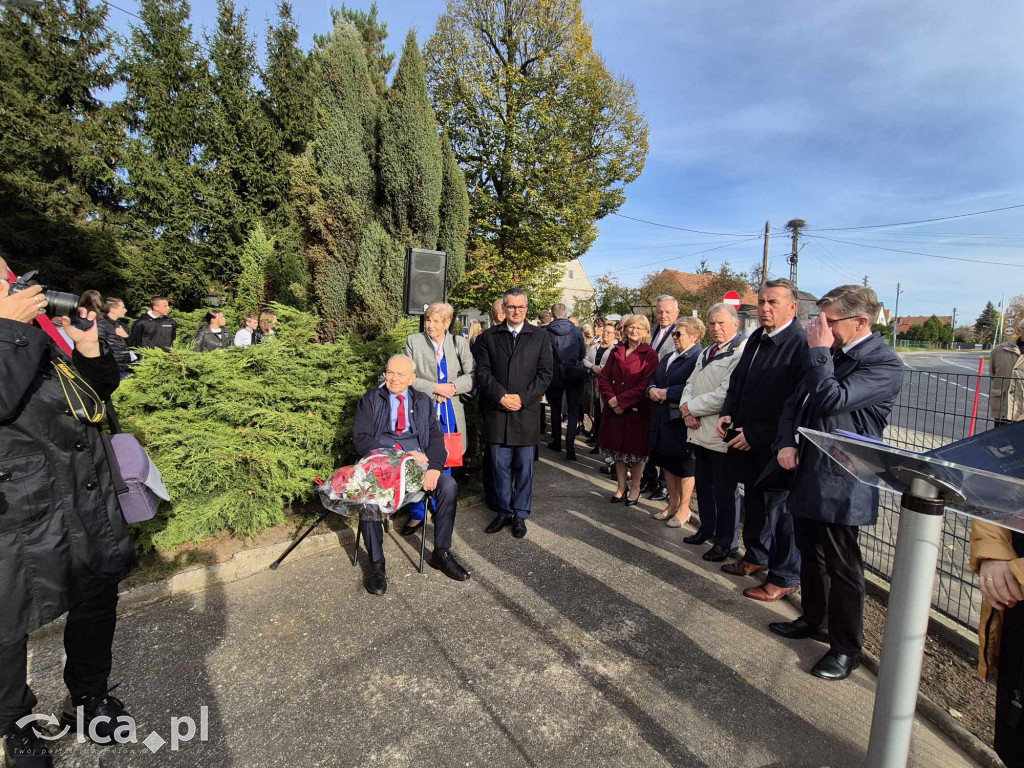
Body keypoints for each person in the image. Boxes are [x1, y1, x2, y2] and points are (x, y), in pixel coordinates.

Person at [0, 258, 135, 766]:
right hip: (20, 507)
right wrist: (8, 328)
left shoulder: (32, 333)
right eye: (2, 281)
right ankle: (14, 726)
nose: (15, 286)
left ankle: (88, 696)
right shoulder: (11, 331)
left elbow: (96, 398)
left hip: (83, 492)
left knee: (96, 601)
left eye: (9, 277)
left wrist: (88, 347)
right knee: (9, 623)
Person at [768, 286, 904, 681]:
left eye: (830, 321)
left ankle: (846, 649)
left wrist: (819, 352)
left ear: (861, 322)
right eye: (820, 320)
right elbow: (797, 402)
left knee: (844, 567)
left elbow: (830, 399)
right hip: (808, 468)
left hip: (843, 478)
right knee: (810, 552)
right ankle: (814, 619)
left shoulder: (883, 364)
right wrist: (786, 441)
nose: (821, 328)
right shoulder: (834, 353)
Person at [718, 278, 805, 602]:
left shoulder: (799, 344)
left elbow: (795, 404)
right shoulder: (757, 337)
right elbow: (738, 382)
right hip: (746, 439)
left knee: (781, 514)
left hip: (777, 446)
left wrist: (756, 434)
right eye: (762, 302)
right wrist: (728, 412)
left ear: (792, 307)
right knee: (754, 504)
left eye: (773, 303)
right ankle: (756, 556)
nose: (765, 308)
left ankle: (784, 576)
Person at [352, 355, 470, 594]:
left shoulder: (423, 401)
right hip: (383, 462)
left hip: (418, 464)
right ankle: (376, 564)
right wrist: (400, 457)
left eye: (400, 374)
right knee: (369, 496)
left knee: (448, 485)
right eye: (390, 372)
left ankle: (441, 553)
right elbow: (361, 438)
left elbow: (436, 438)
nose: (393, 379)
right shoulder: (371, 399)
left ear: (412, 379)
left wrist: (435, 466)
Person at [474, 288, 554, 538]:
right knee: (499, 467)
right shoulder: (488, 337)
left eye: (521, 307)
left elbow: (545, 374)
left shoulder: (540, 336)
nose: (516, 311)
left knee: (524, 468)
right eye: (511, 307)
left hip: (526, 411)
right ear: (504, 309)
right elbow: (483, 372)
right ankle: (504, 511)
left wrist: (521, 398)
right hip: (497, 412)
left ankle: (520, 514)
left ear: (526, 309)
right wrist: (501, 396)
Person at [680, 304, 746, 562]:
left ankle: (726, 541)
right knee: (704, 486)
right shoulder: (707, 352)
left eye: (721, 323)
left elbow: (724, 394)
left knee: (725, 490)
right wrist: (687, 409)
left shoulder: (740, 351)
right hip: (697, 430)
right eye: (712, 323)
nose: (715, 328)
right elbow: (691, 383)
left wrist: (691, 409)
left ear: (735, 324)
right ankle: (706, 528)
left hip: (719, 433)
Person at [403, 302, 475, 535]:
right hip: (423, 411)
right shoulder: (414, 342)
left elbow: (472, 375)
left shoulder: (459, 343)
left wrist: (452, 388)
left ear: (447, 323)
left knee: (446, 458)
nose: (430, 325)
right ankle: (417, 513)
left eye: (436, 321)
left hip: (451, 412)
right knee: (420, 459)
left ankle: (441, 507)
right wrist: (435, 388)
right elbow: (407, 377)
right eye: (428, 320)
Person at [972, 518, 1024, 767]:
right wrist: (994, 553)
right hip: (1016, 604)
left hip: (1016, 580)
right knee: (1011, 739)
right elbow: (997, 489)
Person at [597, 314, 659, 504]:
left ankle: (635, 487)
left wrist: (622, 401)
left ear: (646, 332)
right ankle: (620, 487)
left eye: (639, 328)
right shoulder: (617, 350)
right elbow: (604, 377)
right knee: (618, 450)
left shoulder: (650, 354)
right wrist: (611, 400)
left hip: (636, 411)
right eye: (631, 327)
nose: (634, 331)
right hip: (614, 409)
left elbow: (644, 385)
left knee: (636, 452)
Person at [647, 317, 703, 527]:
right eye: (673, 334)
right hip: (663, 417)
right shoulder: (669, 356)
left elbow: (694, 385)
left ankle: (684, 508)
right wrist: (652, 389)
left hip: (681, 419)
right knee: (667, 462)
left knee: (685, 466)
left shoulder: (697, 357)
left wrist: (667, 392)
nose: (675, 338)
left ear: (695, 336)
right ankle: (672, 503)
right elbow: (655, 377)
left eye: (679, 334)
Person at [643, 295, 681, 501]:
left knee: (666, 443)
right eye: (659, 312)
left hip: (669, 395)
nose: (663, 315)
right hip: (651, 391)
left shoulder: (680, 332)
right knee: (650, 440)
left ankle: (665, 486)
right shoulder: (653, 331)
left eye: (667, 312)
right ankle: (650, 479)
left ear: (676, 312)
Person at [545, 303, 587, 461]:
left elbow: (546, 355)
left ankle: (556, 441)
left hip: (555, 374)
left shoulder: (548, 331)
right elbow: (582, 352)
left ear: (553, 314)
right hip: (574, 372)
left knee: (555, 409)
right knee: (573, 411)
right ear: (566, 313)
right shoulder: (576, 330)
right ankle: (570, 446)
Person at [585, 321, 618, 453]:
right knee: (596, 412)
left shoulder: (615, 349)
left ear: (614, 335)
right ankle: (597, 440)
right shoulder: (595, 346)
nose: (605, 334)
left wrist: (601, 369)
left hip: (606, 385)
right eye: (604, 331)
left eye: (609, 332)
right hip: (594, 383)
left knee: (605, 414)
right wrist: (593, 367)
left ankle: (603, 443)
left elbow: (614, 365)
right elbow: (585, 359)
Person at [990, 333, 1024, 426]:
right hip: (1004, 402)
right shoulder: (1000, 349)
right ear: (1019, 330)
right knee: (1001, 436)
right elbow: (992, 372)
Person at [97, 297, 134, 377]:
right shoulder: (101, 325)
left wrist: (126, 336)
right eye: (123, 307)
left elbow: (133, 346)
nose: (126, 310)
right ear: (113, 310)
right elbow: (99, 347)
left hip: (125, 368)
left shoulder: (123, 326)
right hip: (109, 370)